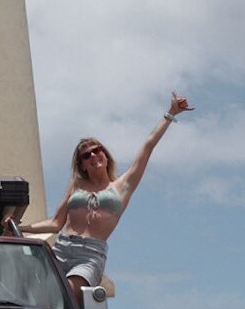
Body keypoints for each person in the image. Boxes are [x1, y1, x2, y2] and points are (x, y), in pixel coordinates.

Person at [17, 92, 194, 306]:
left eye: (97, 150)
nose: (93, 156)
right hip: (62, 248)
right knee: (40, 300)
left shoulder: (122, 186)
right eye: (86, 155)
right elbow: (55, 223)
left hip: (90, 255)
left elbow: (148, 146)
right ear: (81, 164)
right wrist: (22, 227)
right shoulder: (76, 184)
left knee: (69, 294)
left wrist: (170, 113)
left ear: (105, 154)